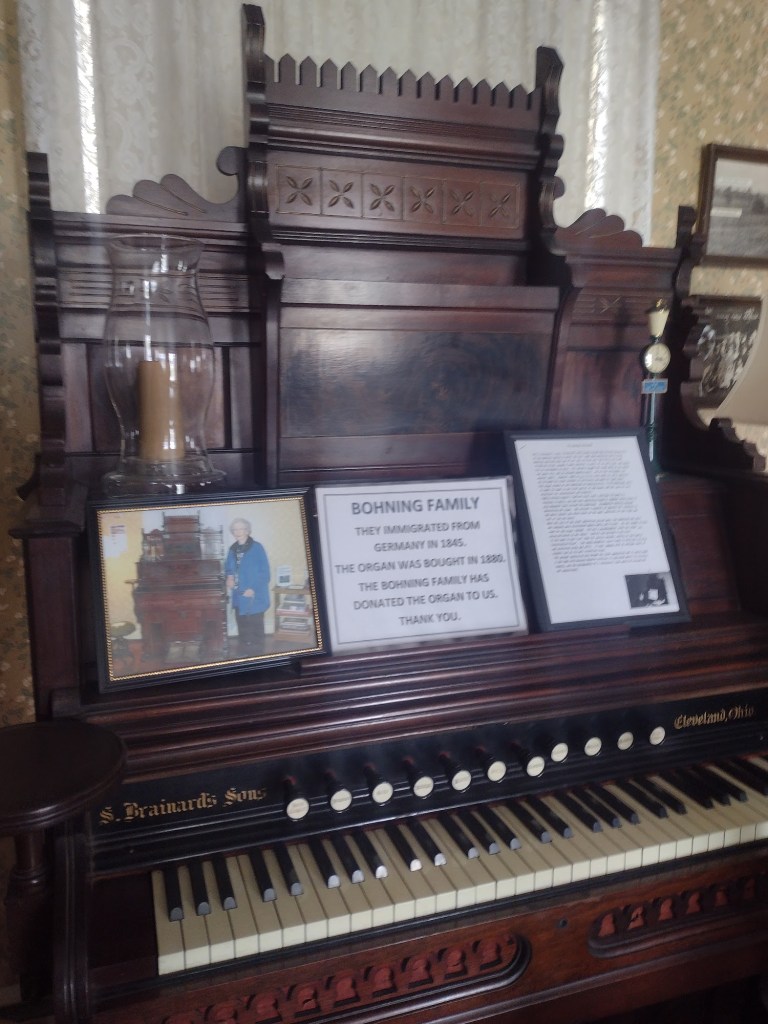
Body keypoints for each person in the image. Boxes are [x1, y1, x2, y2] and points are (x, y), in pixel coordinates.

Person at [225, 517, 270, 652]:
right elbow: (229, 568)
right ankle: (245, 653)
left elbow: (265, 573)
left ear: (247, 530)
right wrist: (229, 577)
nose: (238, 532)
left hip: (254, 595)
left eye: (241, 529)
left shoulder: (257, 547)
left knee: (256, 628)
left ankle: (259, 655)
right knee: (243, 627)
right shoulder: (232, 549)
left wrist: (253, 589)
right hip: (238, 595)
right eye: (235, 529)